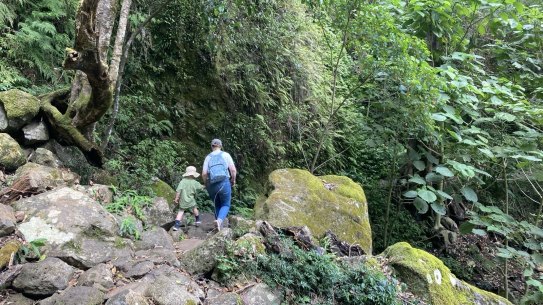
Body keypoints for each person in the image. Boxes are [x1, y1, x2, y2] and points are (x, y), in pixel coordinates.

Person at [202, 138, 237, 231]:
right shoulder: (226, 155)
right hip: (224, 182)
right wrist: (233, 180)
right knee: (225, 204)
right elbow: (233, 170)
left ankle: (217, 226)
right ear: (220, 146)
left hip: (212, 184)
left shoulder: (208, 157)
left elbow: (204, 174)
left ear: (212, 146)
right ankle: (219, 221)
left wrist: (206, 184)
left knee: (217, 204)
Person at [172, 166, 203, 231]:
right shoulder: (195, 182)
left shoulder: (182, 181)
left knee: (180, 211)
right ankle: (197, 220)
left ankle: (176, 225)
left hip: (183, 200)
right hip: (191, 200)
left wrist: (176, 199)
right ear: (194, 174)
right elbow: (201, 187)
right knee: (194, 208)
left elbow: (178, 191)